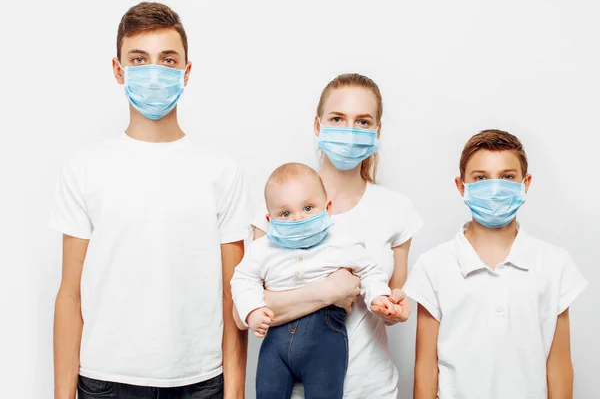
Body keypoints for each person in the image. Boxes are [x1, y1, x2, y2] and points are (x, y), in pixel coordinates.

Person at [49, 3, 250, 399]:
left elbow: (233, 295)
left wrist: (235, 392)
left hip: (199, 381)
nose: (153, 72)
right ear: (118, 69)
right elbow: (70, 294)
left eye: (168, 60)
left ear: (186, 72)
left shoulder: (222, 172)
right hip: (105, 380)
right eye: (139, 59)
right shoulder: (85, 167)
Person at [251, 73, 423, 398]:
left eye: (362, 121)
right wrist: (330, 290)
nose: (349, 131)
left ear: (377, 130)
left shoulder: (397, 210)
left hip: (373, 389)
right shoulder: (278, 206)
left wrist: (393, 309)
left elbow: (388, 298)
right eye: (337, 118)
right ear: (318, 126)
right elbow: (246, 309)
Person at [405, 129, 588, 399]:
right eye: (480, 178)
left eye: (507, 177)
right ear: (461, 186)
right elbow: (426, 369)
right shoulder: (434, 265)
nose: (494, 188)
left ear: (525, 183)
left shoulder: (554, 264)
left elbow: (558, 366)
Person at [232, 163, 400, 398]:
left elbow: (370, 269)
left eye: (308, 208)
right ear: (270, 220)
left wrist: (378, 296)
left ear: (327, 208)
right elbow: (242, 280)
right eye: (285, 214)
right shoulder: (262, 250)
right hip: (275, 348)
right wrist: (252, 310)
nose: (298, 219)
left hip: (324, 342)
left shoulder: (341, 242)